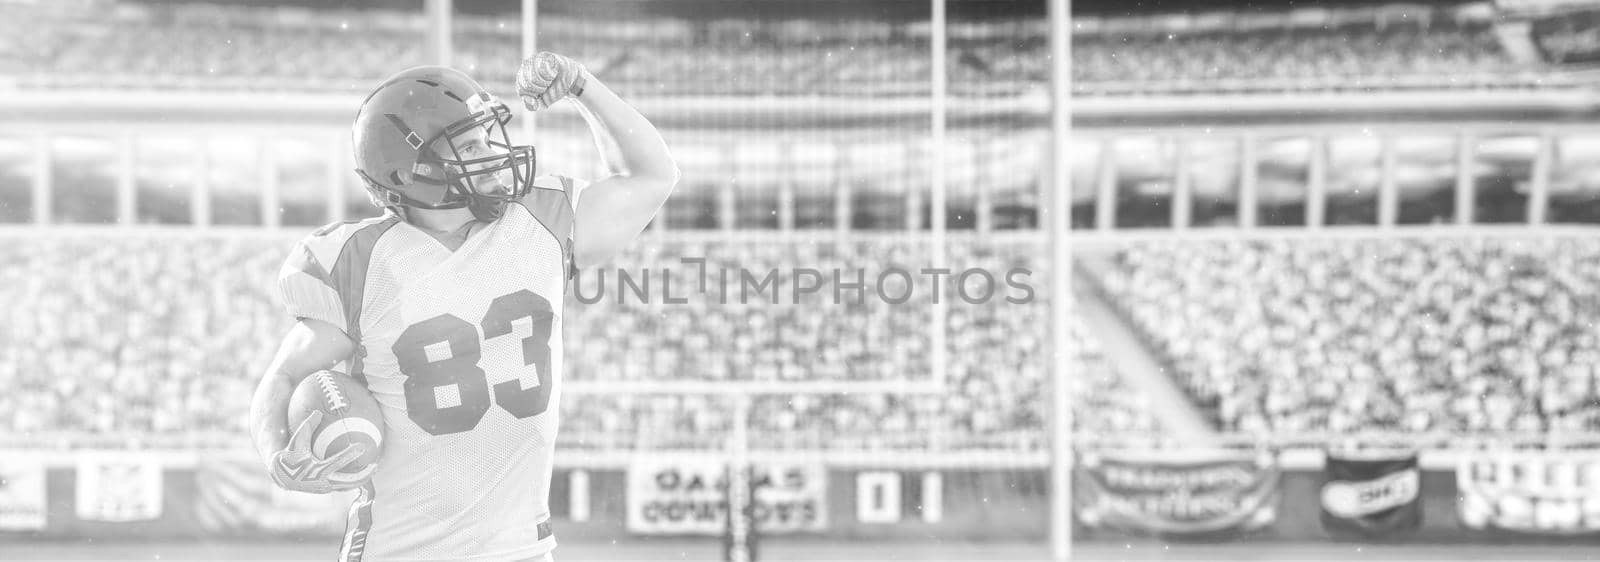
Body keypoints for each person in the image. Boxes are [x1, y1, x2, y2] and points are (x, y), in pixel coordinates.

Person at [247, 52, 678, 562]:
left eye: (486, 138)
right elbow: (283, 376)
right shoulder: (357, 262)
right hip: (401, 550)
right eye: (469, 145)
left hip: (521, 549)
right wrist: (278, 452)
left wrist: (584, 87)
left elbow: (653, 175)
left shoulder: (540, 220)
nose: (493, 155)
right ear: (413, 170)